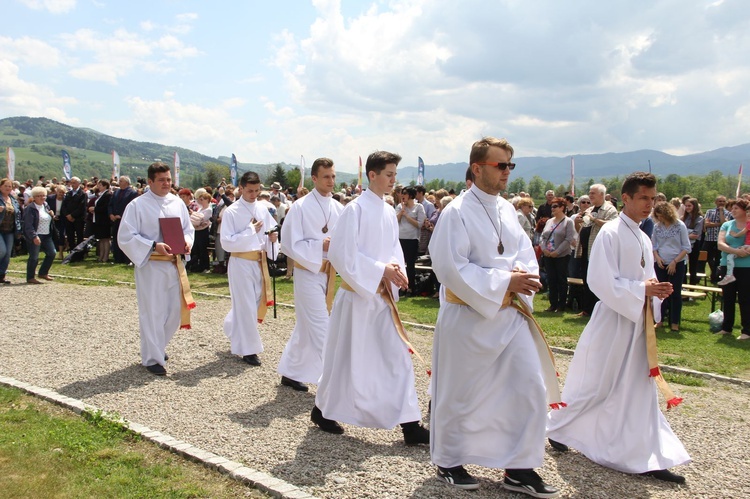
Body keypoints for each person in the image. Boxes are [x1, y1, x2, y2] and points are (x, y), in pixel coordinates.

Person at [429, 137, 561, 496]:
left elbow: (523, 254)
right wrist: (505, 281)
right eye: (499, 165)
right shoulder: (456, 212)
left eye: (509, 165)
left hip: (510, 316)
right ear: (477, 167)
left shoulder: (506, 210)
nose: (506, 172)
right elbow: (449, 267)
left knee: (529, 389)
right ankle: (449, 460)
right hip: (469, 317)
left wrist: (522, 278)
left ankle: (519, 467)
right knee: (460, 393)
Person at [547, 172, 690, 485]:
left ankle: (645, 453)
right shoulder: (610, 233)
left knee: (638, 388)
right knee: (597, 385)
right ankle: (556, 426)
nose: (648, 205)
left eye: (652, 199)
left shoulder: (643, 235)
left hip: (636, 321)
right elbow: (599, 280)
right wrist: (642, 290)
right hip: (613, 320)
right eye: (643, 198)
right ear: (626, 198)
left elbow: (646, 276)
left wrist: (654, 293)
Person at [312, 150, 430, 447]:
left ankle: (410, 424)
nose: (393, 180)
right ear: (373, 175)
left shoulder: (389, 210)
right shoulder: (355, 209)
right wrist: (380, 270)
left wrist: (398, 272)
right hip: (357, 299)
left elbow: (393, 250)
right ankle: (322, 409)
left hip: (381, 299)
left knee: (397, 358)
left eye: (395, 175)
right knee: (343, 359)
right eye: (388, 174)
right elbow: (341, 253)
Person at [118, 162, 196, 376]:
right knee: (153, 311)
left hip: (174, 263)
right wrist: (153, 245)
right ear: (150, 181)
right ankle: (152, 357)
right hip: (151, 264)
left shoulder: (177, 202)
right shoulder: (137, 205)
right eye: (161, 180)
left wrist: (187, 242)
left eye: (169, 179)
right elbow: (126, 236)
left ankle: (158, 345)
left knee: (174, 311)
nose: (166, 183)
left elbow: (187, 229)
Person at [278, 158, 343, 392]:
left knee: (305, 327)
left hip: (330, 274)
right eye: (326, 176)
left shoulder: (339, 207)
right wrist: (319, 246)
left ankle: (290, 370)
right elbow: (289, 243)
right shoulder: (300, 206)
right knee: (322, 327)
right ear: (314, 178)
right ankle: (334, 384)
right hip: (308, 273)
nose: (331, 181)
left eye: (333, 176)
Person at [220, 171, 278, 366]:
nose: (253, 194)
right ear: (241, 189)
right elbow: (227, 242)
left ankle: (231, 326)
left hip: (258, 261)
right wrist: (250, 230)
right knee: (245, 305)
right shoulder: (232, 211)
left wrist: (272, 239)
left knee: (253, 302)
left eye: (256, 190)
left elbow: (272, 229)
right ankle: (248, 350)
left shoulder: (262, 208)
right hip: (241, 262)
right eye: (250, 190)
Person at [573, 184, 618, 316]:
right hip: (585, 250)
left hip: (599, 251)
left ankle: (599, 310)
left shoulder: (610, 210)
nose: (590, 195)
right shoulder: (590, 209)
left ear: (602, 195)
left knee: (598, 280)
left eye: (593, 193)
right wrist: (577, 222)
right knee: (587, 279)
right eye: (590, 192)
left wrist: (594, 219)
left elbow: (611, 225)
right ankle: (587, 309)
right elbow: (582, 229)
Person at [651, 202, 691, 332]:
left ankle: (674, 321)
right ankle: (660, 319)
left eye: (662, 215)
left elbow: (686, 247)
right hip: (661, 262)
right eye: (658, 216)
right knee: (660, 292)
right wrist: (657, 257)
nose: (660, 218)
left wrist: (675, 261)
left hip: (677, 262)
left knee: (675, 293)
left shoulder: (680, 226)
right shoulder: (657, 227)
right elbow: (654, 245)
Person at [716, 198, 750, 339]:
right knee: (728, 297)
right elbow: (720, 244)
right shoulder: (727, 225)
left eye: (736, 208)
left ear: (744, 210)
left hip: (746, 266)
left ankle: (747, 330)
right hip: (727, 265)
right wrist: (736, 251)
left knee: (745, 298)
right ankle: (726, 328)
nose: (733, 211)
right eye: (732, 208)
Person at [540, 197, 576, 313]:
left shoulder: (568, 221)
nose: (552, 208)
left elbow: (569, 239)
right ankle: (553, 304)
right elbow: (543, 237)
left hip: (562, 255)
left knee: (561, 279)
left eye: (555, 206)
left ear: (562, 207)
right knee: (551, 279)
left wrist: (558, 251)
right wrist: (544, 249)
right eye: (552, 206)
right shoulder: (550, 221)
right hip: (548, 255)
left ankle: (561, 305)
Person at [396, 186, 426, 296]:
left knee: (410, 264)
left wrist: (407, 216)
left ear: (411, 195)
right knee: (400, 264)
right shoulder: (400, 206)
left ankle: (411, 287)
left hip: (412, 239)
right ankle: (400, 286)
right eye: (401, 193)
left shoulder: (419, 207)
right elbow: (395, 221)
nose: (402, 195)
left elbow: (419, 224)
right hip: (400, 238)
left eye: (405, 193)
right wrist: (401, 212)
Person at [23, 186, 57, 284]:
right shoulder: (30, 208)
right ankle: (30, 277)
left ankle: (43, 272)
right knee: (34, 257)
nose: (42, 198)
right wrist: (34, 236)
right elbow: (28, 225)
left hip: (47, 234)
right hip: (36, 234)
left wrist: (51, 215)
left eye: (44, 196)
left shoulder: (46, 205)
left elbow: (47, 218)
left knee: (52, 253)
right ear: (34, 197)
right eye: (39, 196)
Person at [109, 176, 139, 264]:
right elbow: (110, 204)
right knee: (116, 238)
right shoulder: (116, 192)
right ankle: (117, 258)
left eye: (121, 181)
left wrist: (121, 215)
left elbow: (132, 206)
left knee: (126, 238)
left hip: (125, 220)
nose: (119, 182)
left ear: (126, 182)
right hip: (115, 220)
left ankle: (127, 259)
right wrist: (111, 214)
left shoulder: (132, 193)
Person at [702, 196, 732, 284]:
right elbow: (706, 224)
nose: (721, 203)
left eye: (723, 201)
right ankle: (711, 272)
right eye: (719, 201)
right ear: (716, 202)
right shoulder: (709, 212)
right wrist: (719, 224)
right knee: (706, 257)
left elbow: (725, 224)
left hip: (721, 240)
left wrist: (722, 212)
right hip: (709, 239)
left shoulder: (728, 213)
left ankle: (715, 277)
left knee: (719, 259)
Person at [0, 178, 22, 284]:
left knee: (7, 253)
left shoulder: (13, 199)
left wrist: (19, 229)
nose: (8, 188)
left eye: (10, 186)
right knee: (2, 251)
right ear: (0, 187)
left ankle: (2, 275)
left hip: (10, 230)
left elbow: (17, 215)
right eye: (6, 186)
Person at [61, 177, 87, 252]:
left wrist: (72, 215)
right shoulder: (68, 193)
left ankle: (79, 253)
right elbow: (64, 206)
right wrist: (67, 215)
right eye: (71, 183)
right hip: (68, 219)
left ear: (79, 183)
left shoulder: (82, 194)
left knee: (79, 236)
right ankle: (71, 250)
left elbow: (81, 207)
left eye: (74, 183)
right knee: (70, 236)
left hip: (78, 219)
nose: (72, 184)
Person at [189, 191, 213, 273]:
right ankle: (197, 266)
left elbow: (202, 219)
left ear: (207, 200)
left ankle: (205, 267)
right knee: (197, 248)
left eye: (202, 199)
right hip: (197, 230)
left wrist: (195, 217)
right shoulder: (200, 209)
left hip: (203, 231)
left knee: (203, 249)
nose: (200, 201)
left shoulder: (208, 209)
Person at [682, 198, 704, 285]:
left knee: (693, 268)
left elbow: (696, 234)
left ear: (694, 206)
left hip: (695, 245)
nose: (687, 208)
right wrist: (688, 233)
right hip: (684, 245)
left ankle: (692, 288)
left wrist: (685, 234)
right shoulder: (684, 218)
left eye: (689, 206)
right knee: (683, 267)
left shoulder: (699, 218)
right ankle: (683, 287)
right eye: (686, 206)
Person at [92, 179, 113, 263]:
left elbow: (105, 207)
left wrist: (95, 209)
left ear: (105, 186)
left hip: (104, 220)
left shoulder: (107, 195)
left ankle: (105, 256)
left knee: (105, 239)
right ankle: (101, 255)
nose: (98, 187)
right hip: (99, 219)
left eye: (100, 185)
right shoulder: (100, 195)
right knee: (101, 239)